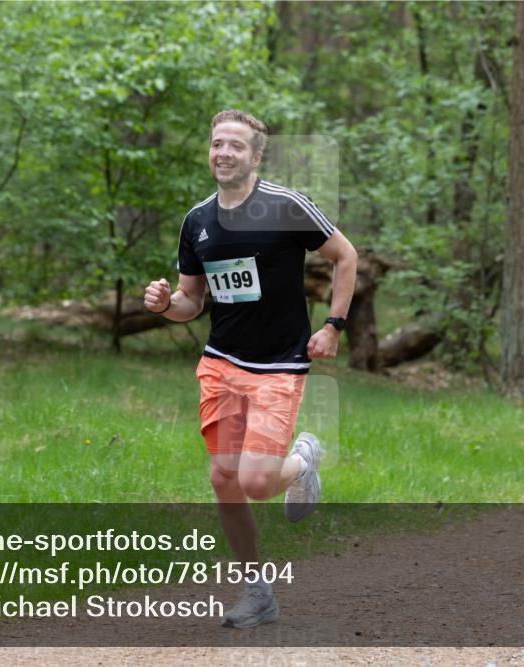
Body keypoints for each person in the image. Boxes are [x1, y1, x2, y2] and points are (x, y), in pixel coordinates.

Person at [143, 109, 357, 629]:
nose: (224, 153)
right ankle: (257, 592)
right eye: (217, 144)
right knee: (223, 478)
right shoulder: (197, 222)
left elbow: (345, 256)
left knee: (257, 482)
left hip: (279, 363)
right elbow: (192, 302)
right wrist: (164, 305)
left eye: (236, 146)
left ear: (256, 156)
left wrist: (332, 326)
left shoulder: (284, 207)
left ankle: (302, 463)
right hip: (221, 362)